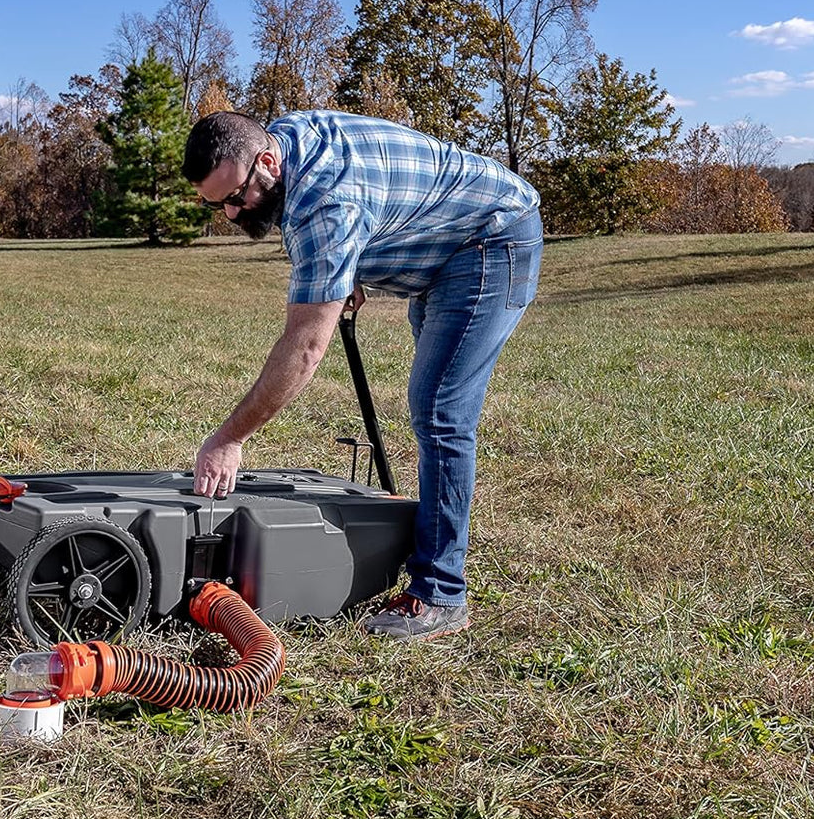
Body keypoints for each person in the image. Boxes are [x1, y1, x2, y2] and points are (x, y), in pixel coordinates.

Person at [181, 110, 543, 641]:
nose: (233, 212)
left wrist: (230, 437)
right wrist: (348, 265)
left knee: (440, 410)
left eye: (237, 196)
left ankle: (440, 594)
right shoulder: (287, 143)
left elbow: (306, 346)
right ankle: (426, 549)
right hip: (443, 246)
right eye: (217, 205)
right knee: (436, 407)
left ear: (268, 161)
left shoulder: (325, 204)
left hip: (490, 239)